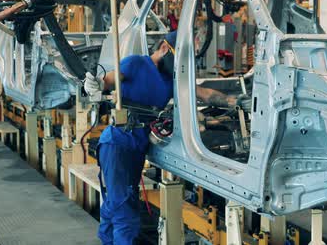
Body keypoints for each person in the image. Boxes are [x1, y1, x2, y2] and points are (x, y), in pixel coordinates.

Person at [84, 31, 251, 244]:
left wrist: (233, 101)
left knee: (117, 203)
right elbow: (109, 80)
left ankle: (107, 240)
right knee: (124, 211)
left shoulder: (170, 80)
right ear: (165, 48)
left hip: (137, 148)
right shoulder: (136, 63)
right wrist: (96, 84)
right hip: (118, 143)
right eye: (178, 57)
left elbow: (203, 93)